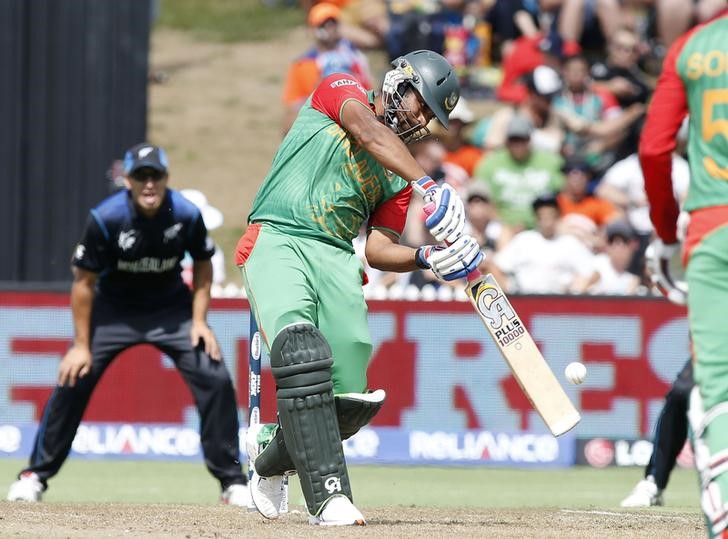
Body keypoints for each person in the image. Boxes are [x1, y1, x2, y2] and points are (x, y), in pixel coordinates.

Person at [236, 50, 482, 525]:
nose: (424, 119)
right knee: (299, 349)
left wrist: (425, 257)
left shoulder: (399, 175)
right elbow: (368, 133)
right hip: (279, 237)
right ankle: (330, 498)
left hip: (337, 258)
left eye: (432, 116)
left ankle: (269, 458)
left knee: (348, 403)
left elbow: (378, 249)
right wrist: (431, 185)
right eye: (422, 105)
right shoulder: (340, 89)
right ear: (399, 83)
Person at [6, 144, 249, 506]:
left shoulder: (185, 214)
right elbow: (83, 283)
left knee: (213, 375)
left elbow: (202, 265)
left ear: (166, 179)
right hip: (114, 310)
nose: (149, 184)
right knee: (73, 376)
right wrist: (81, 345)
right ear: (128, 181)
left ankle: (232, 482)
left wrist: (200, 322)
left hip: (171, 310)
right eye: (141, 176)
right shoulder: (106, 218)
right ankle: (34, 476)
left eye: (156, 176)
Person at [639, 8, 728, 538]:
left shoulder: (694, 47)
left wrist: (668, 232)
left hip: (713, 229)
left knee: (716, 384)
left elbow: (654, 149)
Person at [281, 2, 372, 134]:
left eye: (333, 23)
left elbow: (369, 93)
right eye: (323, 24)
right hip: (318, 121)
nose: (330, 28)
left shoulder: (355, 58)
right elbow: (292, 109)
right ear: (313, 29)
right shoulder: (303, 64)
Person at [490, 193, 598, 294]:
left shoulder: (570, 243)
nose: (547, 220)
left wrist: (577, 291)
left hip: (559, 304)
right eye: (542, 215)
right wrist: (507, 291)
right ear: (536, 218)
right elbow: (496, 266)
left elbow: (594, 272)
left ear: (557, 217)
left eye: (551, 215)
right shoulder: (523, 240)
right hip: (524, 301)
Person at [474, 114, 564, 230]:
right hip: (502, 226)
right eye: (514, 139)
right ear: (506, 140)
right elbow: (481, 201)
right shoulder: (489, 163)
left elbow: (564, 195)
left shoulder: (551, 162)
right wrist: (505, 225)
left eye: (522, 139)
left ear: (530, 139)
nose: (518, 144)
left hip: (543, 227)